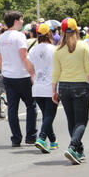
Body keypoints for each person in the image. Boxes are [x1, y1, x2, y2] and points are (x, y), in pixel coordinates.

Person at [52, 18, 89, 165]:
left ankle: (78, 150)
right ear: (77, 31)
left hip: (64, 87)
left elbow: (56, 72)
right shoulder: (83, 46)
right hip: (80, 86)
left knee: (71, 120)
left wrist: (53, 90)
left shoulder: (58, 49)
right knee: (81, 121)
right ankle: (73, 147)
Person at [0, 10, 37, 147]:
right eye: (21, 19)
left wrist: (4, 71)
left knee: (12, 109)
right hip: (22, 75)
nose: (22, 22)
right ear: (15, 21)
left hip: (8, 76)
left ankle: (16, 138)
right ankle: (30, 136)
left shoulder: (1, 37)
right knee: (31, 105)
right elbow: (23, 57)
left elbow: (0, 58)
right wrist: (32, 72)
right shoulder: (19, 36)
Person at [28, 24, 58, 153]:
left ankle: (53, 140)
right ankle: (41, 138)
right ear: (49, 34)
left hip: (37, 86)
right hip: (50, 86)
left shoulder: (33, 50)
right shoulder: (54, 49)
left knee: (46, 115)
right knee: (50, 115)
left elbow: (30, 68)